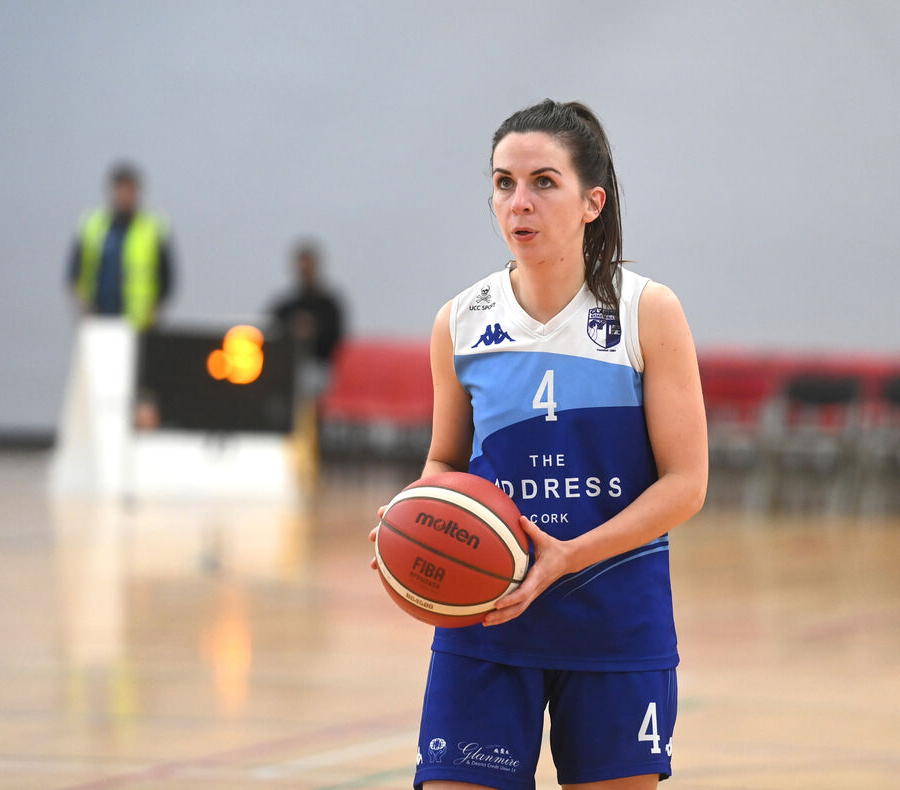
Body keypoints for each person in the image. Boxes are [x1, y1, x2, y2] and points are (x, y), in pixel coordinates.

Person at [368, 100, 708, 790]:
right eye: (503, 183)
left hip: (613, 619)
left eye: (543, 182)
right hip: (486, 618)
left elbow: (686, 484)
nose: (518, 203)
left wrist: (568, 558)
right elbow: (445, 461)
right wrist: (412, 516)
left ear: (592, 201)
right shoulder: (459, 322)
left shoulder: (647, 312)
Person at [66, 162, 174, 330]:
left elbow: (167, 278)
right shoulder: (93, 226)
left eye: (129, 190)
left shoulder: (152, 229)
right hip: (98, 320)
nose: (125, 196)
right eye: (121, 190)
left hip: (139, 324)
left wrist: (154, 311)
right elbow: (74, 274)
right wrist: (84, 307)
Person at [266, 240, 345, 397]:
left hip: (320, 368)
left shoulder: (329, 305)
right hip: (289, 370)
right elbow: (269, 327)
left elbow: (337, 338)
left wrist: (315, 329)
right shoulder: (287, 306)